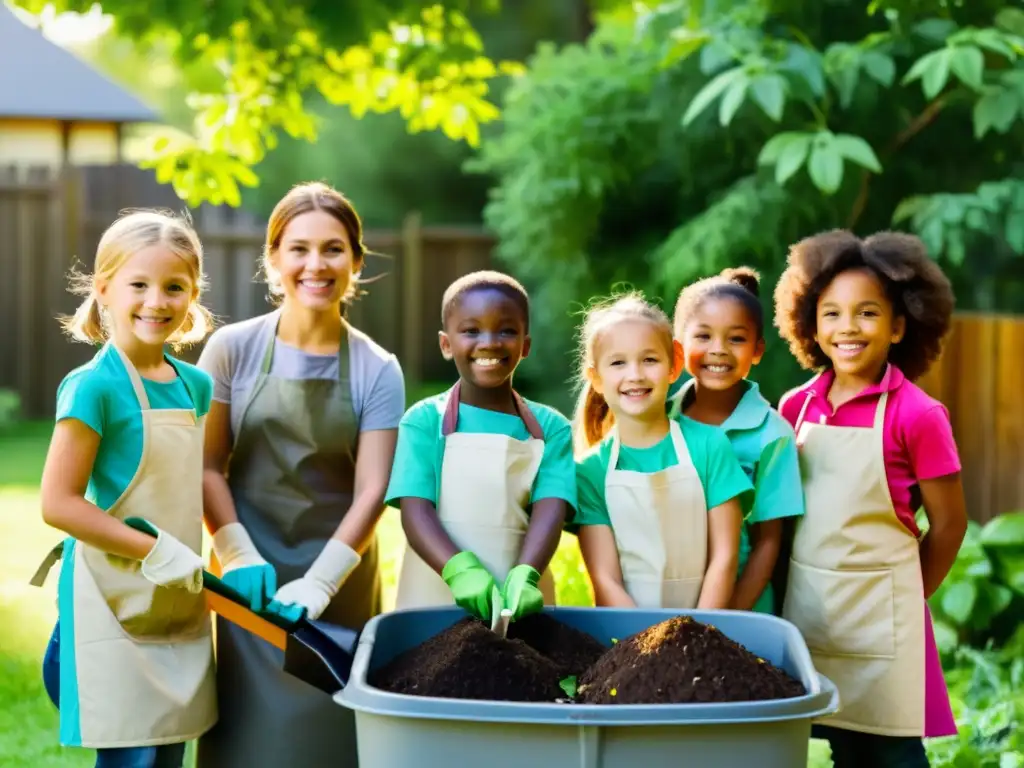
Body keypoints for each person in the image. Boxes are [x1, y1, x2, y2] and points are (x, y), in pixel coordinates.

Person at [196, 182, 404, 767]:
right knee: (248, 738)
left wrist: (321, 583)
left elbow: (372, 492)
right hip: (249, 578)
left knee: (327, 742)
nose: (316, 265)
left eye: (334, 249)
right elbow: (207, 466)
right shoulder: (230, 350)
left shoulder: (376, 369)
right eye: (300, 248)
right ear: (274, 259)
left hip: (337, 578)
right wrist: (237, 556)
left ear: (356, 262)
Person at [774, 229, 967, 767]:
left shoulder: (918, 415)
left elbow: (950, 526)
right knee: (841, 747)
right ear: (810, 324)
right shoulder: (795, 409)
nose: (847, 328)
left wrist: (903, 594)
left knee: (894, 754)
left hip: (883, 623)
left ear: (899, 325)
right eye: (831, 313)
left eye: (867, 313)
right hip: (810, 615)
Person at [35, 209, 217, 768]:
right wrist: (155, 550)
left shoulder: (196, 386)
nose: (156, 302)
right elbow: (57, 504)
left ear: (193, 294)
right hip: (112, 596)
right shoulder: (93, 387)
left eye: (174, 287)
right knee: (132, 754)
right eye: (139, 284)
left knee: (169, 747)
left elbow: (195, 485)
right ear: (104, 287)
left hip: (178, 596)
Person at [386, 270, 576, 623]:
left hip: (518, 600)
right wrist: (459, 571)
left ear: (526, 345)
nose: (489, 342)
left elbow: (551, 510)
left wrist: (527, 574)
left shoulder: (552, 429)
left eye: (506, 330)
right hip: (432, 592)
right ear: (446, 344)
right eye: (471, 331)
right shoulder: (424, 421)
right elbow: (416, 511)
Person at [571, 292, 751, 610]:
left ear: (674, 364)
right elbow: (604, 578)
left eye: (649, 359)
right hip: (627, 641)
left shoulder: (709, 447)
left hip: (706, 632)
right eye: (618, 363)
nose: (635, 375)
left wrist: (699, 633)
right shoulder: (590, 471)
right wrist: (643, 651)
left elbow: (724, 557)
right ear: (596, 378)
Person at [667, 267, 804, 614]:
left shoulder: (773, 434)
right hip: (663, 601)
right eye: (704, 336)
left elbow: (768, 541)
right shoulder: (658, 420)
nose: (719, 350)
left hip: (743, 611)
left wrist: (731, 621)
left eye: (736, 339)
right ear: (679, 349)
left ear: (757, 350)